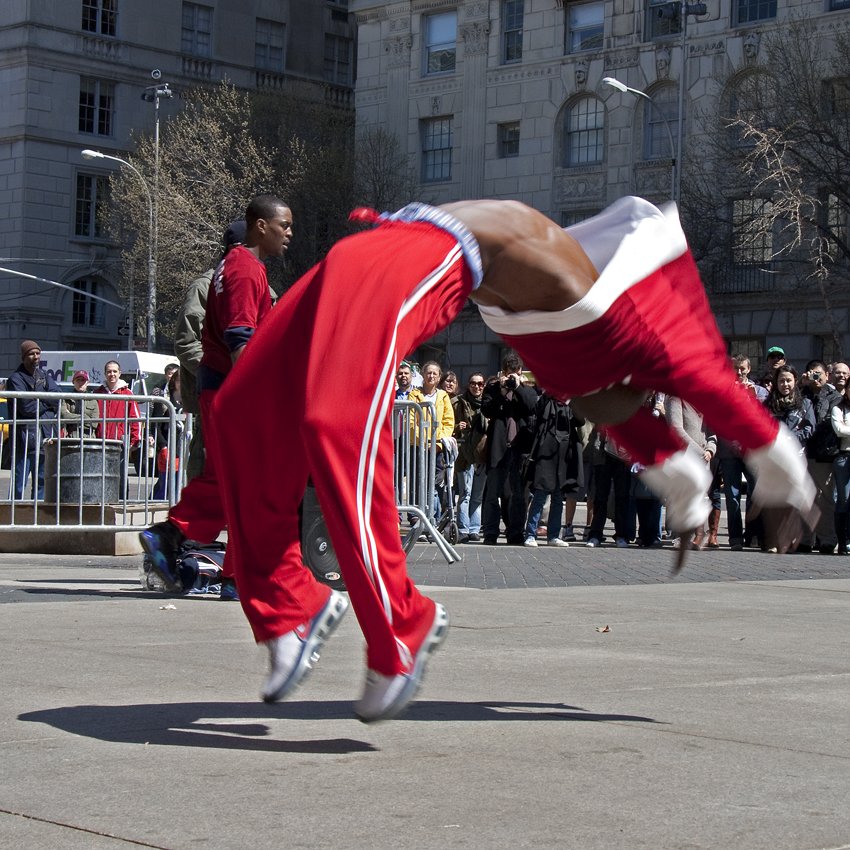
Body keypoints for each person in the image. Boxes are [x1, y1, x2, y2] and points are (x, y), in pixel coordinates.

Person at [208, 197, 814, 724]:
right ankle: (294, 606)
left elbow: (634, 417)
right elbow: (707, 389)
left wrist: (690, 490)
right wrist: (782, 480)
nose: (593, 409)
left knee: (333, 419)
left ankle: (399, 627)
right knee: (239, 407)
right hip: (410, 247)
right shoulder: (616, 340)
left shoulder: (577, 364)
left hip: (422, 255)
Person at [140, 196, 293, 601]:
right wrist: (256, 395)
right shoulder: (246, 269)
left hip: (220, 384)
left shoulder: (233, 267)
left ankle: (187, 546)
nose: (290, 233)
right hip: (230, 385)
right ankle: (226, 569)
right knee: (249, 483)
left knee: (230, 480)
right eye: (285, 225)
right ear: (261, 226)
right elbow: (240, 336)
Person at [173, 220, 248, 482]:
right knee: (208, 473)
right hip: (217, 398)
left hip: (251, 402)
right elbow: (186, 341)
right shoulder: (205, 287)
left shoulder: (259, 286)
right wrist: (221, 375)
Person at [480, 352, 538, 545]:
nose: (512, 375)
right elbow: (487, 409)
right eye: (509, 372)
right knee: (492, 493)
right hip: (498, 446)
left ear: (520, 371)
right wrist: (502, 392)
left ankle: (515, 533)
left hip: (519, 447)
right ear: (503, 372)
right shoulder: (494, 387)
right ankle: (490, 532)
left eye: (515, 372)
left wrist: (519, 386)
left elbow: (531, 406)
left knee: (518, 494)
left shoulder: (527, 389)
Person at [522, 392, 580, 547]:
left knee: (558, 498)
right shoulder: (547, 401)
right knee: (540, 495)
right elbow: (536, 410)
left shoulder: (571, 404)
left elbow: (579, 421)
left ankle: (553, 535)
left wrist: (574, 402)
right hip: (545, 455)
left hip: (564, 455)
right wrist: (548, 392)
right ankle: (530, 534)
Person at [6, 339, 60, 500]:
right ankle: (14, 514)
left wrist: (38, 400)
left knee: (42, 480)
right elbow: (26, 408)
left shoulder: (44, 376)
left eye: (37, 353)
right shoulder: (16, 379)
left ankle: (37, 514)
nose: (36, 357)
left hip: (45, 437)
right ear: (24, 357)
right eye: (31, 354)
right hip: (25, 440)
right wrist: (45, 401)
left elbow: (57, 398)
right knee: (19, 482)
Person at [800, 360, 842, 553]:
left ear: (827, 375)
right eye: (812, 374)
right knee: (805, 497)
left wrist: (817, 394)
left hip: (824, 454)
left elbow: (822, 419)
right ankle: (806, 539)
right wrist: (802, 386)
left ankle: (827, 539)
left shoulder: (834, 397)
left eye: (819, 374)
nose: (815, 378)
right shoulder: (803, 394)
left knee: (824, 498)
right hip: (803, 452)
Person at [95, 360, 143, 498]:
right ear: (105, 374)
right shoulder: (97, 392)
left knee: (120, 476)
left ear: (119, 373)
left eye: (114, 371)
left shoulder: (127, 394)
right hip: (99, 443)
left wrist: (135, 440)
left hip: (119, 444)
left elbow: (136, 419)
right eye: (109, 371)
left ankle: (122, 504)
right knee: (99, 476)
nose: (112, 374)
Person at [452, 373, 488, 542]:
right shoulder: (458, 403)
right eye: (473, 383)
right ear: (468, 385)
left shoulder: (488, 404)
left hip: (482, 454)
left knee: (477, 496)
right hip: (464, 455)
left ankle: (474, 529)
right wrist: (457, 427)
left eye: (480, 384)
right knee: (465, 494)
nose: (477, 387)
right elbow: (448, 426)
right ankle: (463, 529)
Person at [831, 383, 850, 555]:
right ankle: (842, 541)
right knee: (843, 500)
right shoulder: (839, 408)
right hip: (844, 457)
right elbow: (839, 430)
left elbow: (845, 430)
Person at [61, 370, 99, 437]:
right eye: (78, 380)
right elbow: (64, 416)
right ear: (73, 382)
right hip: (70, 437)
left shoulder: (93, 400)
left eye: (83, 380)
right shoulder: (66, 399)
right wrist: (85, 418)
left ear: (87, 382)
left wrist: (71, 416)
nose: (80, 383)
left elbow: (94, 423)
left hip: (88, 438)